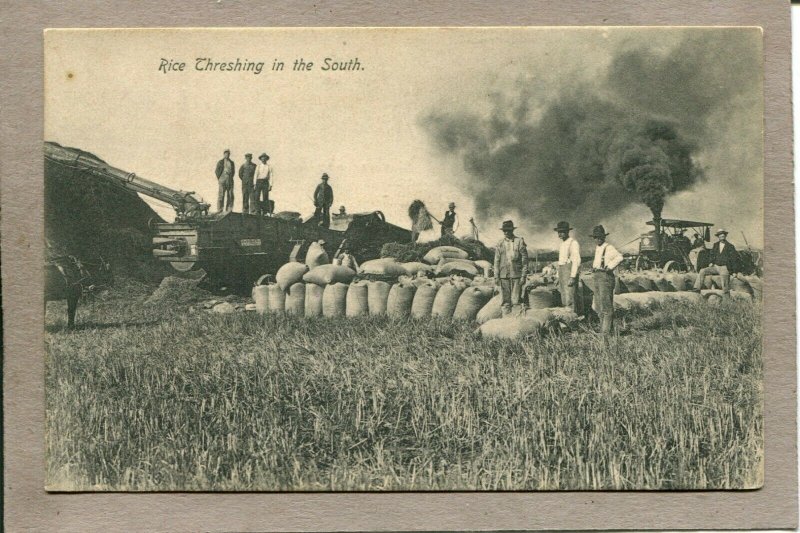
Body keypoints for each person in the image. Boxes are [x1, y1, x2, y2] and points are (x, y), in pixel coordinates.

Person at [590, 225, 624, 337]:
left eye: (599, 237)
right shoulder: (597, 248)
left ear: (603, 237)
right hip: (597, 276)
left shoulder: (609, 247)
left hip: (605, 277)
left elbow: (620, 257)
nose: (597, 239)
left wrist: (610, 266)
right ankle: (604, 330)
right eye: (595, 237)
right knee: (599, 306)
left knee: (606, 306)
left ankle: (606, 332)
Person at [494, 220, 528, 316]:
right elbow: (496, 261)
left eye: (508, 230)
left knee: (516, 300)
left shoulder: (519, 241)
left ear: (512, 230)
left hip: (516, 275)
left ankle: (516, 321)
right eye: (504, 231)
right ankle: (506, 320)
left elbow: (525, 261)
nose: (506, 233)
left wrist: (523, 276)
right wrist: (496, 276)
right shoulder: (500, 243)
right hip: (503, 275)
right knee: (505, 301)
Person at [692, 229, 739, 293]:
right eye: (720, 236)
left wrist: (734, 271)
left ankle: (725, 293)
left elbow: (734, 259)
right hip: (715, 266)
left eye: (723, 235)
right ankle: (697, 287)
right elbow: (712, 254)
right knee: (702, 271)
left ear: (725, 236)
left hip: (724, 267)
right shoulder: (715, 245)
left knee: (724, 278)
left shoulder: (730, 246)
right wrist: (711, 262)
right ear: (718, 237)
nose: (721, 237)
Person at [554, 221, 581, 311]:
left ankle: (573, 319)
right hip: (562, 272)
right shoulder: (562, 244)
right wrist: (558, 276)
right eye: (559, 232)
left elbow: (576, 261)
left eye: (562, 232)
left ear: (567, 232)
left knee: (570, 298)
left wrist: (573, 277)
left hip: (569, 272)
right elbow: (560, 262)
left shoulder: (573, 243)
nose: (560, 234)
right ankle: (567, 319)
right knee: (564, 298)